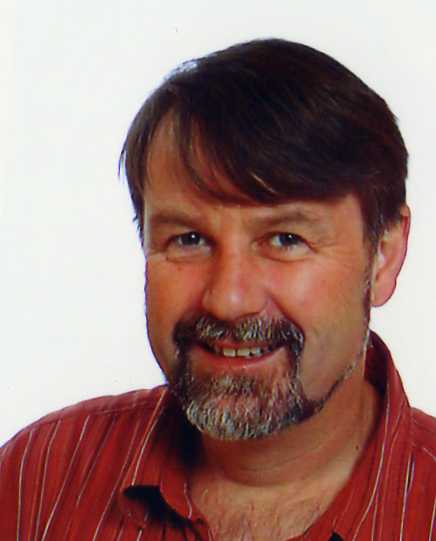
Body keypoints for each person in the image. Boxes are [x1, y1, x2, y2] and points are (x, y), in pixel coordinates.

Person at [1, 38, 435, 541]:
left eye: (285, 239)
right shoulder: (35, 482)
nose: (229, 300)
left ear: (383, 256)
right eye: (188, 239)